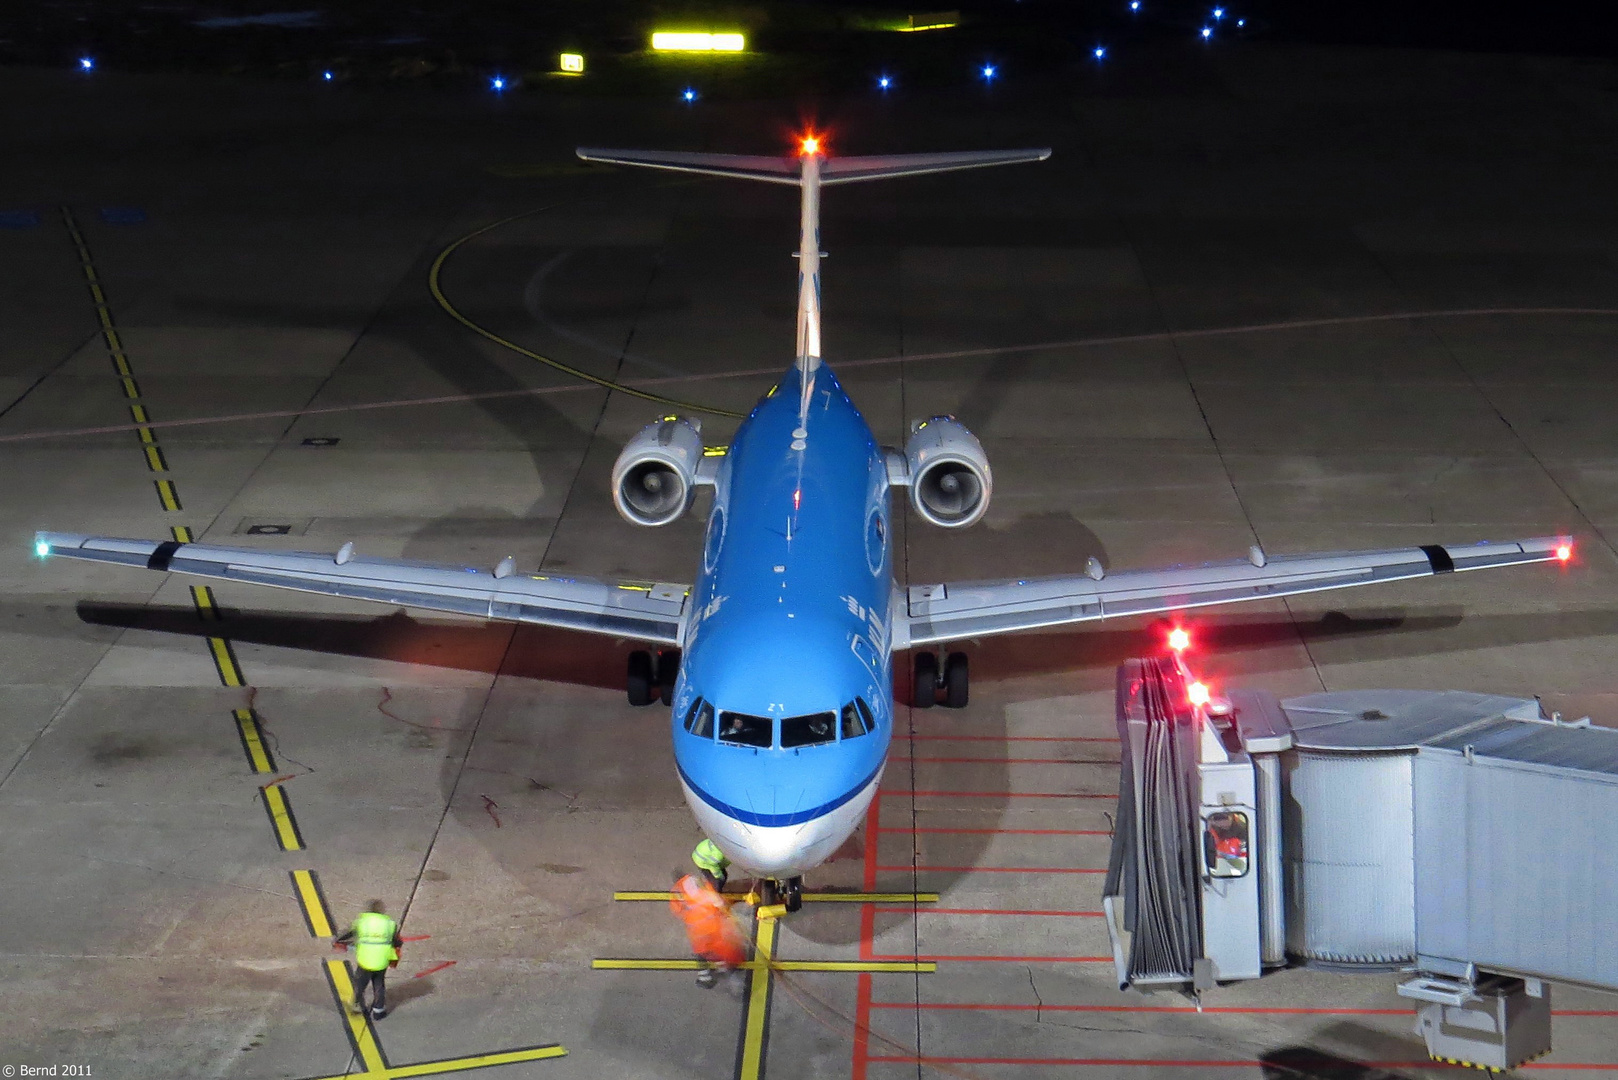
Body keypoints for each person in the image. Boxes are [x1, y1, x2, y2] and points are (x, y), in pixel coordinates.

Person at [669, 872, 747, 988]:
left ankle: (705, 979)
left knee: (702, 953)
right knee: (720, 949)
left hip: (697, 929)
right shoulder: (696, 881)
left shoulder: (676, 892)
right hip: (712, 924)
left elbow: (677, 911)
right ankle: (730, 974)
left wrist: (689, 915)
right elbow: (714, 898)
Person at [335, 900, 403, 1019]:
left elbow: (349, 933)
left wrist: (338, 940)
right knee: (379, 984)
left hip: (365, 960)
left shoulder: (362, 922)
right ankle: (378, 1011)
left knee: (360, 984)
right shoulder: (389, 924)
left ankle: (355, 1007)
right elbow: (397, 942)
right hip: (382, 960)